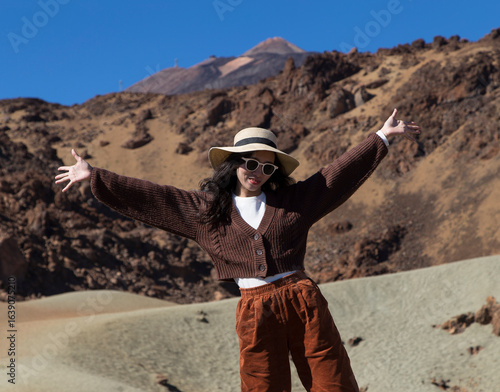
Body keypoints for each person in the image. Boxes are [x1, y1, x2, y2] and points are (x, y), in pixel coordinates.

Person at [55, 108, 420, 391]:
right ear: (234, 163)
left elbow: (334, 177)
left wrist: (381, 138)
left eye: (266, 166)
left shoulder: (294, 201)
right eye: (249, 162)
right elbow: (157, 197)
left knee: (333, 381)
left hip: (303, 301)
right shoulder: (206, 212)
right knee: (261, 386)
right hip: (254, 309)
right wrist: (96, 176)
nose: (256, 171)